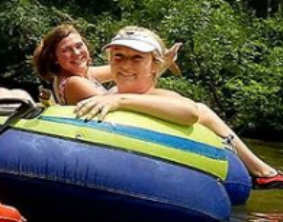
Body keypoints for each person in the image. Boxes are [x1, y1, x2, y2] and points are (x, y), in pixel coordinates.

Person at [73, 26, 282, 189]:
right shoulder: (108, 95)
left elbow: (190, 113)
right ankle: (263, 170)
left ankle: (261, 171)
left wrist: (120, 101)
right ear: (109, 61)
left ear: (154, 64)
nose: (126, 65)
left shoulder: (161, 97)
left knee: (203, 110)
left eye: (137, 57)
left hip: (172, 173)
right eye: (118, 56)